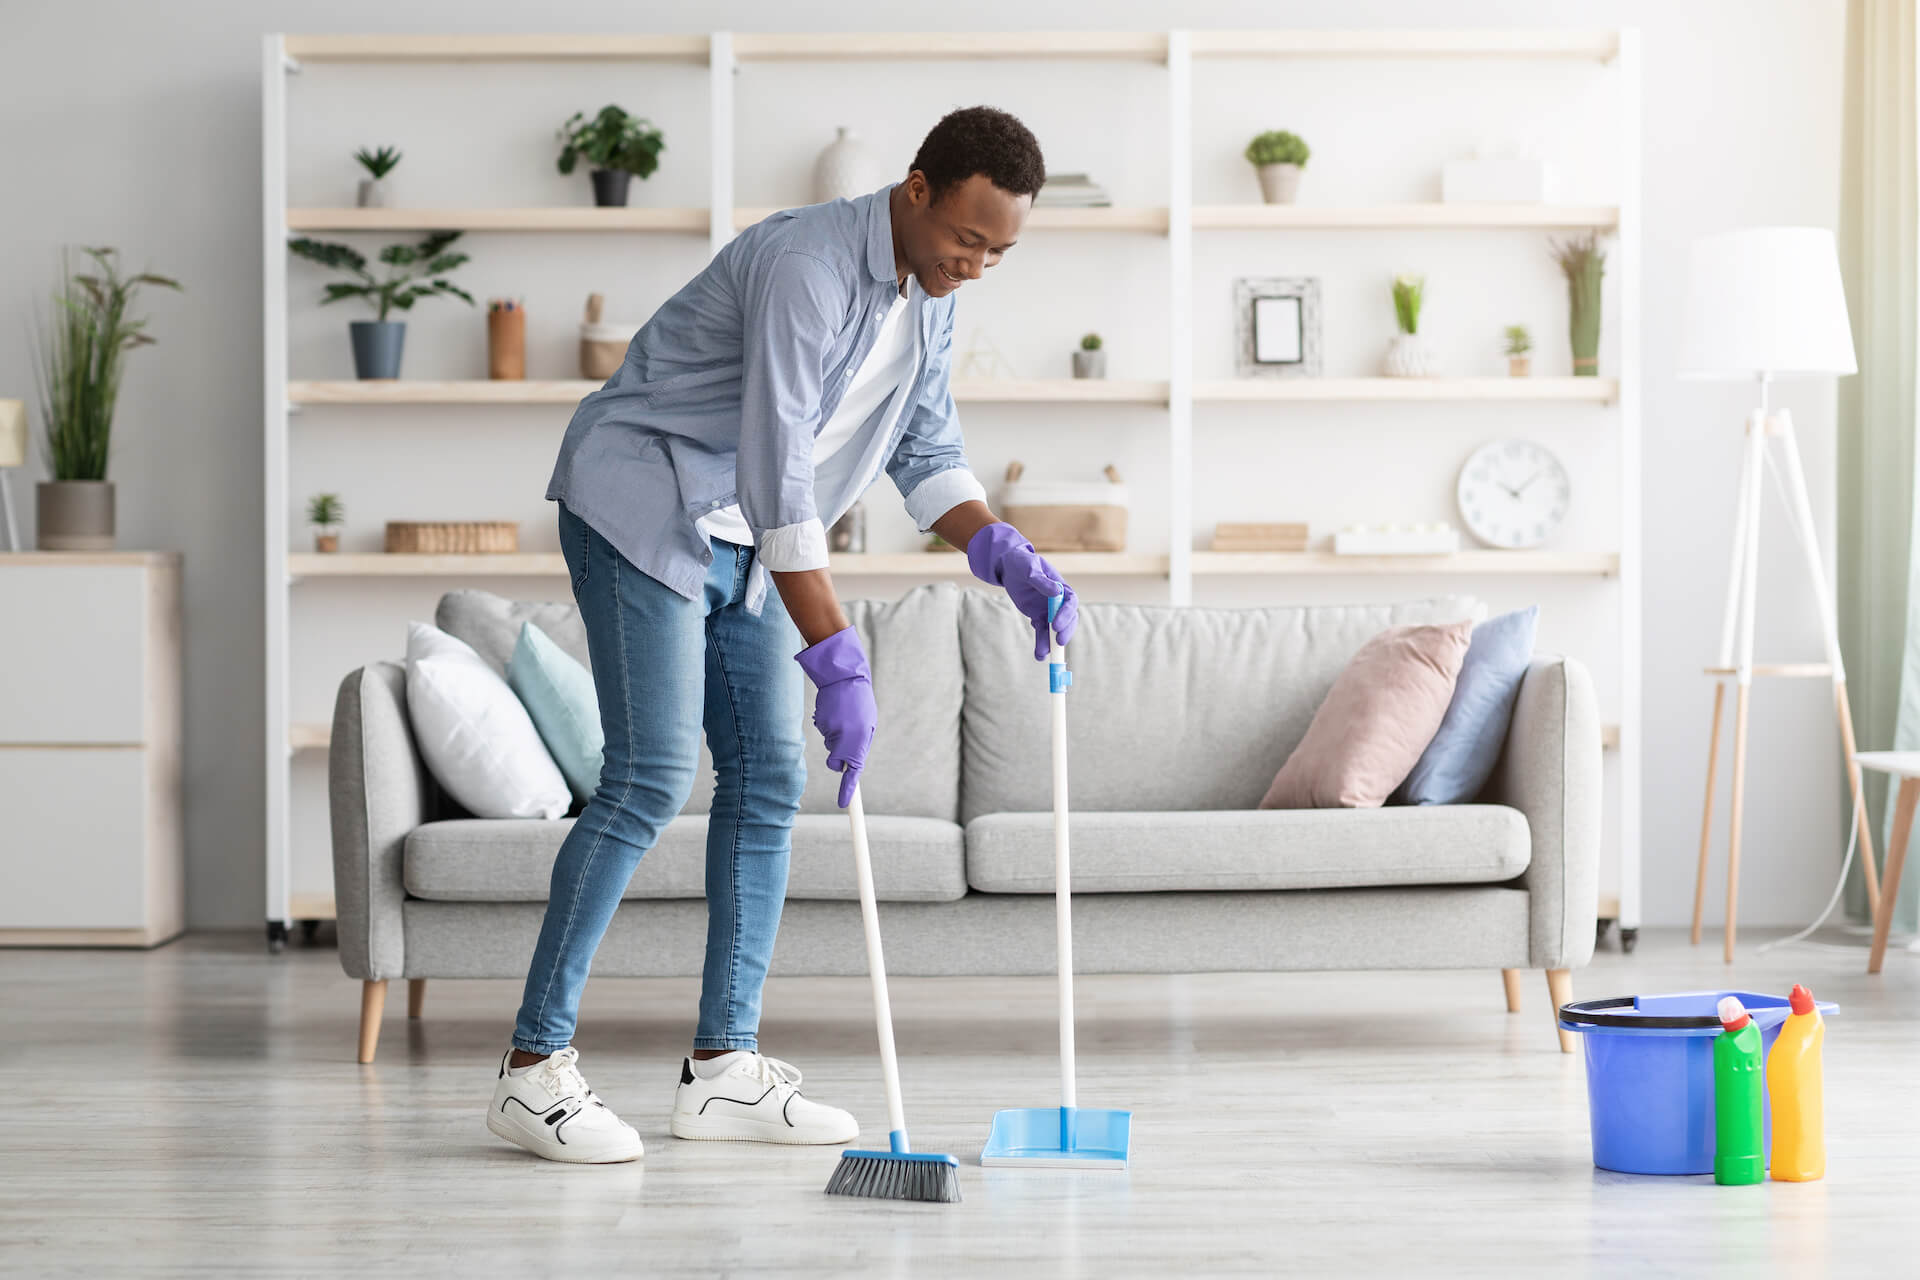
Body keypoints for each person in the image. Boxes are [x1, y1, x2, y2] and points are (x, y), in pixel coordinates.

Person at [485, 106, 1081, 1164]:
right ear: (916, 191)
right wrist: (834, 649)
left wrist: (1004, 553)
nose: (978, 264)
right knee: (649, 777)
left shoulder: (929, 298)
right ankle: (532, 1071)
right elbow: (778, 471)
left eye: (1000, 250)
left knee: (765, 779)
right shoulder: (807, 264)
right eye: (968, 237)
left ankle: (723, 1069)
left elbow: (927, 451)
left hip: (747, 541)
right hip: (645, 501)